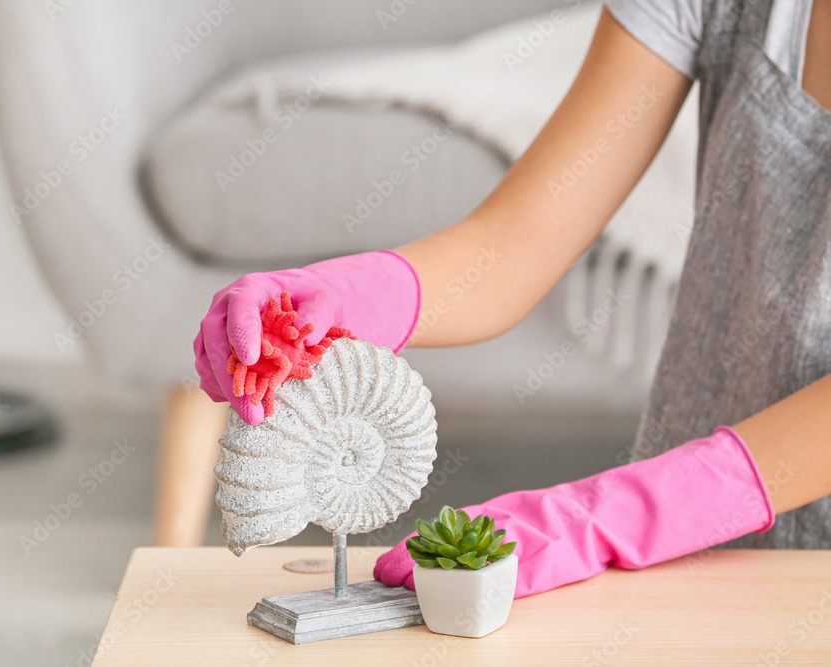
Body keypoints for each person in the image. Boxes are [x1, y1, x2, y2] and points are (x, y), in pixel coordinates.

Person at [194, 0, 831, 597]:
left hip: (679, 522)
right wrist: (346, 294)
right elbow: (513, 244)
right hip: (685, 557)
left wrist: (616, 515)